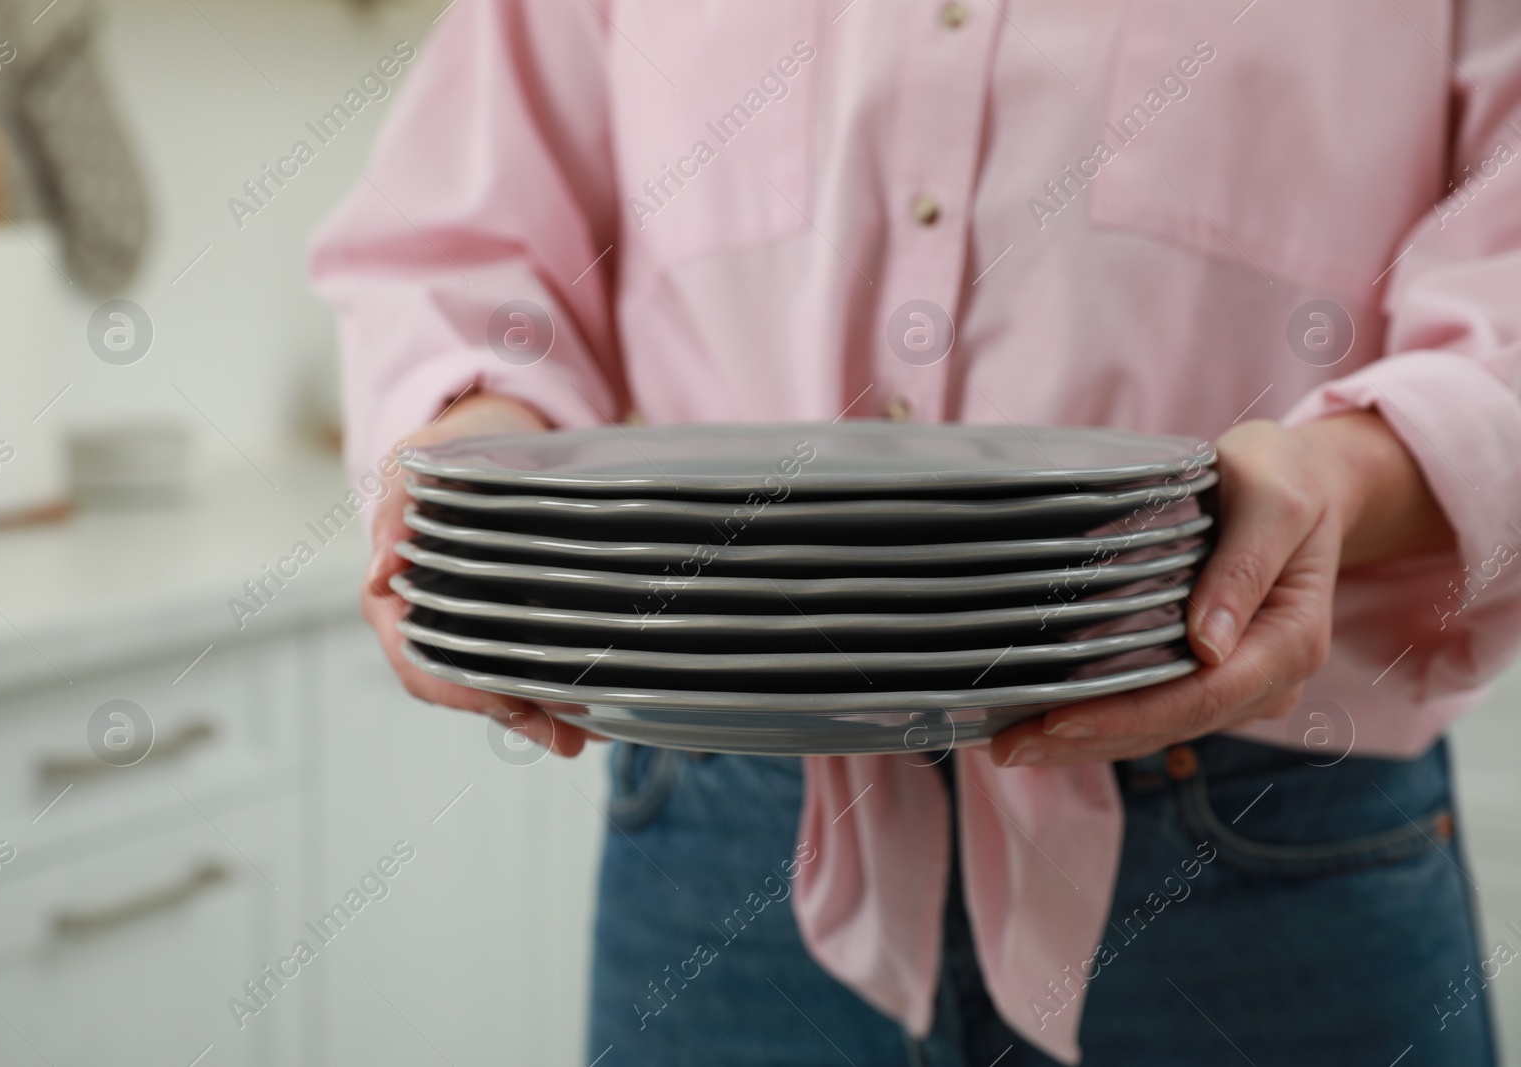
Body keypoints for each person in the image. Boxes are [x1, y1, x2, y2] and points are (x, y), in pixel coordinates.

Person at [311, 2, 1521, 1063]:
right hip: (721, 826)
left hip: (1259, 831)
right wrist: (469, 454)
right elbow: (467, 252)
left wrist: (1337, 477)